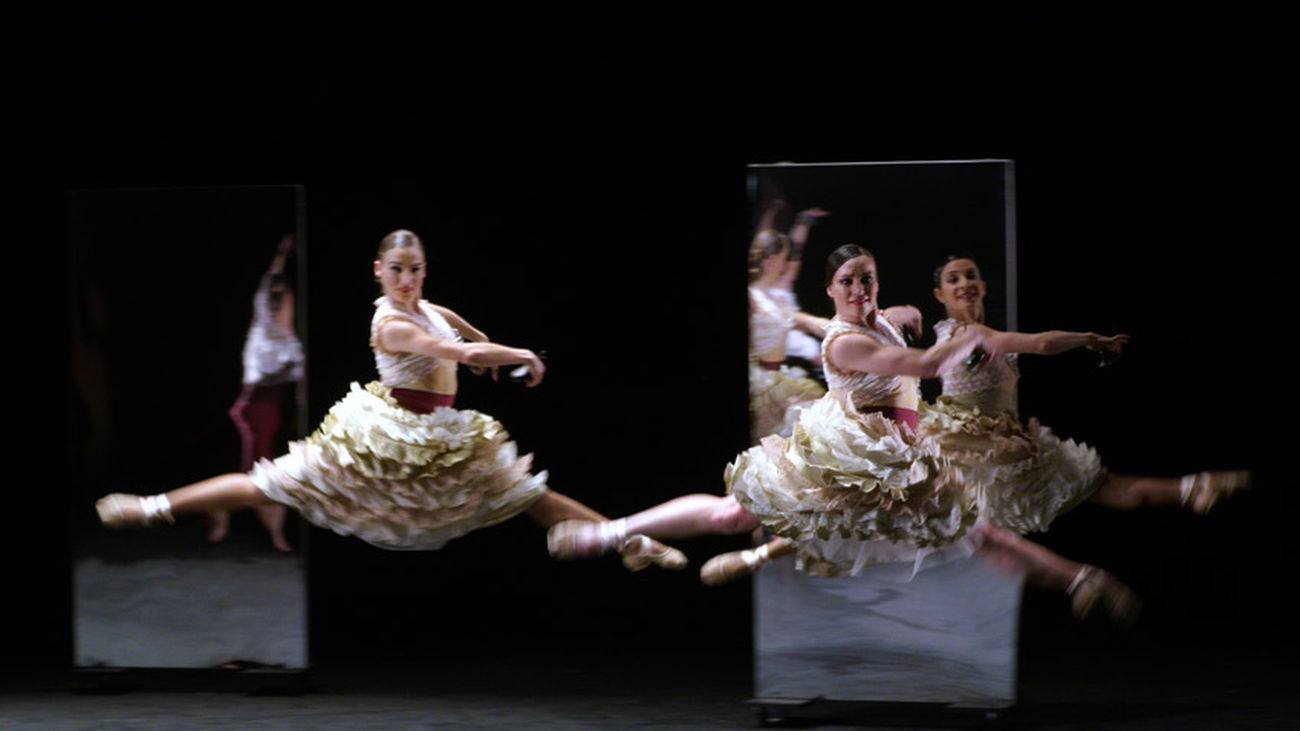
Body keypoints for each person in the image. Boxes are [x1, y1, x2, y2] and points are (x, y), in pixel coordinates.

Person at [550, 245, 1144, 623]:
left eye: (868, 279)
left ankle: (1081, 581)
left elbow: (901, 322)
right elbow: (921, 368)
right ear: (831, 291)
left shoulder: (880, 318)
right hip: (853, 454)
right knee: (734, 514)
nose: (861, 291)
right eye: (849, 282)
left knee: (972, 532)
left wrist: (908, 316)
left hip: (902, 457)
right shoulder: (847, 340)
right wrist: (968, 337)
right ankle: (612, 532)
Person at [96, 229, 686, 572]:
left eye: (417, 270)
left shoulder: (425, 305)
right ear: (379, 271)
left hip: (441, 436)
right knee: (267, 484)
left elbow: (457, 326)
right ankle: (152, 507)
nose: (408, 280)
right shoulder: (393, 325)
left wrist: (479, 337)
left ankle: (627, 539)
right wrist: (519, 355)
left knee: (532, 496)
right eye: (398, 270)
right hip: (384, 439)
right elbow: (455, 351)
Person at [919, 255, 1251, 533]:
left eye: (970, 275)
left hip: (1005, 448)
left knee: (1100, 486)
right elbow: (1042, 344)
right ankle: (1194, 487)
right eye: (953, 279)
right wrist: (1090, 338)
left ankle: (1193, 487)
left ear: (984, 286)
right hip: (970, 453)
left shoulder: (992, 336)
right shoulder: (964, 333)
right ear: (940, 294)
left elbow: (1027, 352)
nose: (964, 283)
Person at [207, 234, 302, 552]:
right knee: (259, 480)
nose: (278, 298)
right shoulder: (261, 334)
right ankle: (223, 511)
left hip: (268, 415)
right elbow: (269, 288)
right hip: (254, 412)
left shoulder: (287, 341)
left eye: (284, 295)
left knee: (261, 476)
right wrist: (279, 256)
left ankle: (222, 510)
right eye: (274, 295)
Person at [747, 226, 829, 439]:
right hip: (761, 382)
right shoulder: (753, 297)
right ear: (772, 260)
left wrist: (846, 328)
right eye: (784, 258)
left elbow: (806, 322)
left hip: (778, 377)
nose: (786, 265)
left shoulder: (775, 298)